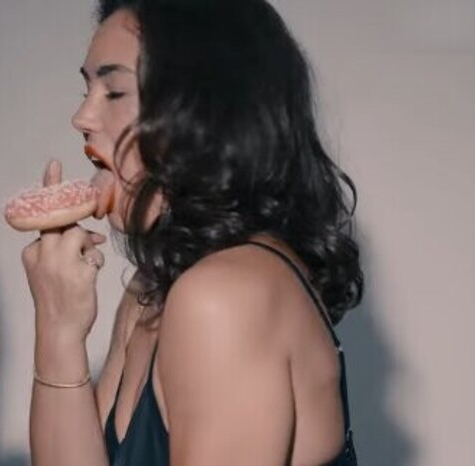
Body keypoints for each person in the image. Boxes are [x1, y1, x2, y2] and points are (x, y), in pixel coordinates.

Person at [24, 1, 363, 464]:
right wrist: (58, 329)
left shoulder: (225, 297)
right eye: (87, 90)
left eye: (114, 91)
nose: (81, 117)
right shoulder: (150, 290)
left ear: (207, 111)